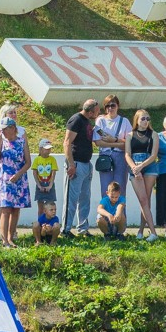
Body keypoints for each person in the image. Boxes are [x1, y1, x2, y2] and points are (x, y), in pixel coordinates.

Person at [0, 118, 29, 249]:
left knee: (15, 209)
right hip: (4, 179)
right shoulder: (2, 141)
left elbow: (28, 162)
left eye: (4, 129)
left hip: (19, 179)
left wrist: (18, 175)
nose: (2, 131)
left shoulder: (22, 141)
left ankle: (11, 238)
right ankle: (4, 240)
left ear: (12, 128)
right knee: (5, 209)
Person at [62, 99, 99, 236]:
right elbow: (67, 142)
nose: (98, 113)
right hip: (76, 163)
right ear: (90, 111)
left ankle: (82, 228)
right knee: (71, 199)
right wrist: (71, 164)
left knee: (84, 198)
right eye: (97, 111)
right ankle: (65, 229)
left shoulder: (86, 121)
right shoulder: (76, 120)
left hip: (86, 164)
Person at [126, 109, 159, 241]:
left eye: (148, 118)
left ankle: (146, 231)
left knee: (146, 199)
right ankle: (151, 232)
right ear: (137, 120)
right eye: (143, 119)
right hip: (135, 165)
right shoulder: (130, 135)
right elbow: (127, 154)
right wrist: (135, 167)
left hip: (149, 165)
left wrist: (141, 166)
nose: (146, 121)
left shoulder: (153, 134)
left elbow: (154, 155)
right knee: (143, 199)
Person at [93, 95, 130, 204]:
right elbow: (98, 142)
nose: (110, 108)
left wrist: (113, 140)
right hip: (105, 157)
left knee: (121, 188)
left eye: (113, 105)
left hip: (121, 157)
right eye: (107, 106)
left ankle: (120, 218)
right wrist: (118, 143)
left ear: (117, 106)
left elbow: (129, 143)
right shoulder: (100, 121)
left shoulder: (124, 121)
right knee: (105, 189)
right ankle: (106, 217)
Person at [31, 138, 58, 245]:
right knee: (41, 206)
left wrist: (50, 184)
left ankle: (51, 225)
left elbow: (53, 172)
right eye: (46, 149)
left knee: (50, 205)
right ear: (40, 149)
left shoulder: (52, 160)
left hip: (49, 184)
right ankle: (41, 225)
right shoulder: (37, 160)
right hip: (40, 184)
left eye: (49, 149)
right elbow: (34, 172)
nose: (48, 151)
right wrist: (39, 185)